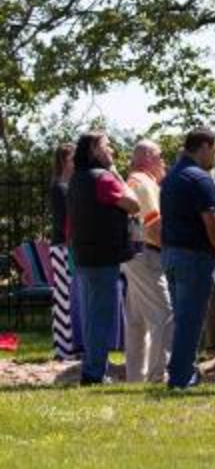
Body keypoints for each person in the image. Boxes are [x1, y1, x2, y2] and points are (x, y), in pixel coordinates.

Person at [67, 132, 140, 385]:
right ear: (96, 150)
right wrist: (117, 173)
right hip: (103, 258)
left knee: (90, 315)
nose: (112, 151)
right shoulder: (104, 178)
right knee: (101, 316)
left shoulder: (77, 178)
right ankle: (94, 374)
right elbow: (134, 204)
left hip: (84, 256)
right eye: (108, 146)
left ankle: (91, 368)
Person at [161, 128, 215, 390]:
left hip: (171, 253)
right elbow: (211, 221)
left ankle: (183, 370)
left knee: (182, 317)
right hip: (194, 256)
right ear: (205, 146)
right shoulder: (199, 178)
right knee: (191, 320)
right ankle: (180, 377)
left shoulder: (171, 177)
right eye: (214, 149)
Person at [123, 140, 174, 384]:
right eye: (161, 156)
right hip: (147, 254)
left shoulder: (134, 180)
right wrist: (172, 250)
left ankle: (135, 376)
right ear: (148, 157)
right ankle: (156, 375)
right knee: (164, 315)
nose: (164, 161)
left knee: (137, 321)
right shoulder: (143, 184)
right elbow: (153, 225)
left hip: (134, 255)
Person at [48, 143, 79, 361]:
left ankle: (70, 346)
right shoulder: (59, 188)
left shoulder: (70, 186)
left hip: (70, 246)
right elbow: (62, 221)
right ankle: (63, 348)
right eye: (73, 158)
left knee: (70, 296)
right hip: (62, 247)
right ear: (64, 161)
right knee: (63, 297)